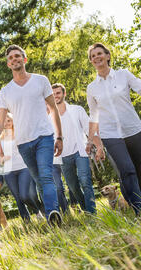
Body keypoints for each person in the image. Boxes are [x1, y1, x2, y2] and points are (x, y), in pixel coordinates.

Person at [86, 43, 141, 216]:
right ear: (91, 61)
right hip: (110, 135)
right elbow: (93, 116)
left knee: (140, 170)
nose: (96, 57)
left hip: (133, 130)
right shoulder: (92, 88)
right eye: (92, 56)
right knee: (127, 170)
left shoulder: (123, 75)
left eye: (99, 54)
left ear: (108, 56)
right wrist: (92, 141)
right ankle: (139, 211)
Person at [0, 44, 63, 227]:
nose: (14, 59)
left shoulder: (40, 80)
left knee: (46, 176)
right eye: (11, 58)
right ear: (8, 64)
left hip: (44, 136)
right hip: (23, 143)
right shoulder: (6, 91)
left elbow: (53, 109)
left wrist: (59, 137)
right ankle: (49, 211)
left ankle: (53, 213)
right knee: (39, 179)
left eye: (17, 56)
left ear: (24, 59)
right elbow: (0, 121)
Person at [51, 83, 98, 215]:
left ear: (64, 94)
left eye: (58, 93)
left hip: (79, 151)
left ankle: (92, 213)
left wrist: (95, 144)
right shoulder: (49, 117)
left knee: (85, 181)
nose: (56, 96)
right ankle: (85, 209)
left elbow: (88, 128)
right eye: (53, 94)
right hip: (63, 156)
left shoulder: (77, 110)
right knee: (73, 187)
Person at [0, 112, 44, 223]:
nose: (7, 123)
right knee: (17, 198)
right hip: (9, 171)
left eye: (9, 121)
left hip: (23, 167)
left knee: (25, 195)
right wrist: (3, 159)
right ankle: (26, 220)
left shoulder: (20, 134)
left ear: (13, 122)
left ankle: (38, 210)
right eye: (4, 121)